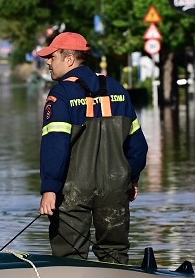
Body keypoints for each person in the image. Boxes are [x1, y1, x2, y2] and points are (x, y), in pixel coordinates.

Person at [37, 31, 148, 264]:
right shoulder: (117, 89)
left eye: (52, 57)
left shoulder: (61, 94)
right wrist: (131, 178)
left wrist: (50, 188)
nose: (48, 62)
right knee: (115, 254)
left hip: (73, 191)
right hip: (115, 188)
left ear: (69, 59)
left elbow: (55, 146)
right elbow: (137, 145)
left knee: (69, 257)